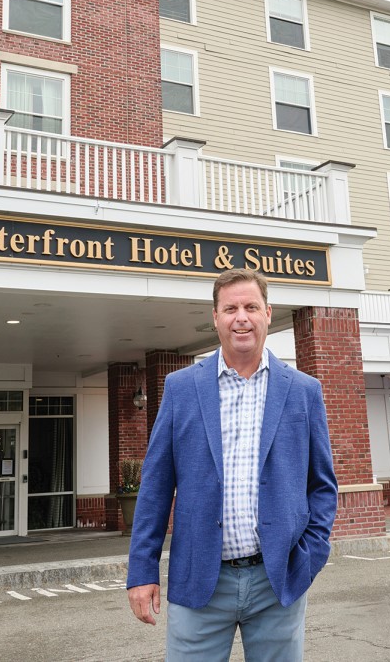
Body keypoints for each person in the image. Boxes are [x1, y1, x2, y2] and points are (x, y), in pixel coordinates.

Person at [127, 269, 337, 661]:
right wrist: (142, 570)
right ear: (215, 318)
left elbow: (322, 485)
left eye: (251, 306)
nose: (241, 317)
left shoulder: (304, 391)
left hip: (279, 581)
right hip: (199, 579)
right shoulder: (181, 388)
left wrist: (309, 555)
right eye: (231, 308)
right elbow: (155, 486)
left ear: (268, 313)